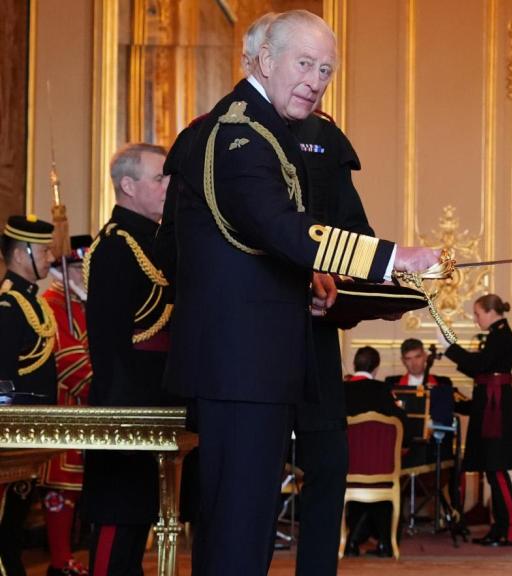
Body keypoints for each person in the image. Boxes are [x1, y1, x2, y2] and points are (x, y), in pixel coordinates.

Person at [163, 10, 438, 574]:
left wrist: (310, 278)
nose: (316, 80)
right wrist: (393, 258)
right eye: (306, 63)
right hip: (241, 368)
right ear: (265, 60)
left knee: (239, 526)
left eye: (326, 70)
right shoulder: (239, 132)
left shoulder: (258, 130)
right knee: (238, 533)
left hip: (250, 366)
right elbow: (280, 226)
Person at [82, 143, 178, 576]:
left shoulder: (157, 240)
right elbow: (110, 343)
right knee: (118, 529)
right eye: (160, 177)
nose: (168, 186)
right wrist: (121, 418)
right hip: (126, 409)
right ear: (127, 185)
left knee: (142, 525)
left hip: (160, 401)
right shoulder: (115, 246)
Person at [439, 294, 512, 547]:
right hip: (491, 406)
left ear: (490, 312)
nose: (476, 320)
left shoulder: (501, 335)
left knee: (496, 469)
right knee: (492, 468)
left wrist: (449, 349)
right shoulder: (498, 334)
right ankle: (499, 528)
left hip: (495, 408)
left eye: (477, 314)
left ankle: (509, 529)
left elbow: (480, 365)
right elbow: (481, 368)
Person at [0, 215, 58, 576]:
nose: (51, 257)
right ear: (22, 253)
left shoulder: (33, 302)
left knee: (15, 527)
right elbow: (2, 380)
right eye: (45, 250)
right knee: (6, 527)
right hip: (13, 435)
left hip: (32, 431)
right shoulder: (7, 306)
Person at [39, 234, 93, 576]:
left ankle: (66, 557)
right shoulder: (52, 301)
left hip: (83, 409)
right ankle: (59, 560)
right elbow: (69, 359)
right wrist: (99, 391)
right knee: (61, 486)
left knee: (73, 487)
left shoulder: (81, 302)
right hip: (63, 406)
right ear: (70, 269)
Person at [343, 346, 407, 557]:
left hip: (347, 468)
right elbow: (402, 424)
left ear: (355, 365)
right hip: (382, 470)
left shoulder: (341, 390)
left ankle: (350, 541)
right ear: (376, 367)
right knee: (392, 482)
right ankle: (386, 543)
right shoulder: (382, 391)